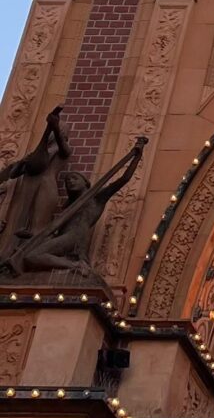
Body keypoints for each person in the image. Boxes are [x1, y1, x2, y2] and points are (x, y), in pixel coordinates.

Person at [11, 136, 147, 286]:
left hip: (75, 236)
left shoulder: (96, 199)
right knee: (29, 256)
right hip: (64, 236)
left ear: (85, 182)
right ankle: (70, 265)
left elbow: (124, 179)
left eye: (74, 178)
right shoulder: (69, 208)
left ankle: (76, 265)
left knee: (32, 256)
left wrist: (136, 156)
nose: (70, 181)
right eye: (67, 181)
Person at [0, 106, 71, 244]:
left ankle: (32, 250)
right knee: (18, 225)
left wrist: (54, 127)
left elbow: (63, 148)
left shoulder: (64, 149)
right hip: (28, 187)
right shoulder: (37, 153)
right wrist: (22, 162)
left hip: (45, 186)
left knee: (38, 226)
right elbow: (13, 174)